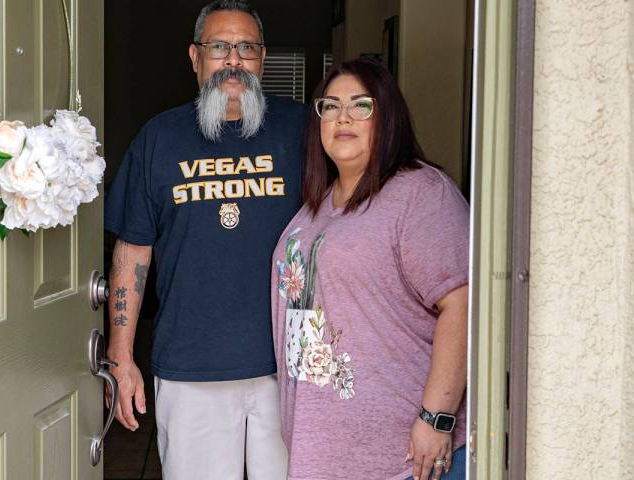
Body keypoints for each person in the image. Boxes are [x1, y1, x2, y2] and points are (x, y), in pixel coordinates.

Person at [104, 1, 306, 478]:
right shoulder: (160, 138)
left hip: (293, 368)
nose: (233, 60)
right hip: (190, 366)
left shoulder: (305, 130)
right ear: (195, 58)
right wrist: (120, 353)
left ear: (261, 58)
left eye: (246, 48)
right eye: (219, 47)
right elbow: (133, 250)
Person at [271, 58, 469, 480]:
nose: (343, 116)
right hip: (325, 449)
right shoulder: (320, 203)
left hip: (398, 456)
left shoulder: (420, 193)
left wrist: (437, 419)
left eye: (361, 105)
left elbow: (463, 304)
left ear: (389, 117)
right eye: (330, 105)